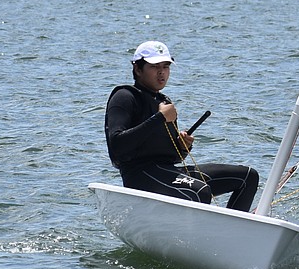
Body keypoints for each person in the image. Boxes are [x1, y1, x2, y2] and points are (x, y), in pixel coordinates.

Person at [104, 40, 259, 212]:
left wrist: (183, 147)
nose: (162, 72)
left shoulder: (163, 102)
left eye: (166, 66)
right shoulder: (124, 97)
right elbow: (117, 147)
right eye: (155, 67)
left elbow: (171, 157)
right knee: (199, 191)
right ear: (138, 69)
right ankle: (199, 236)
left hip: (167, 172)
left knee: (248, 176)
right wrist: (159, 118)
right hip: (140, 176)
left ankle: (234, 232)